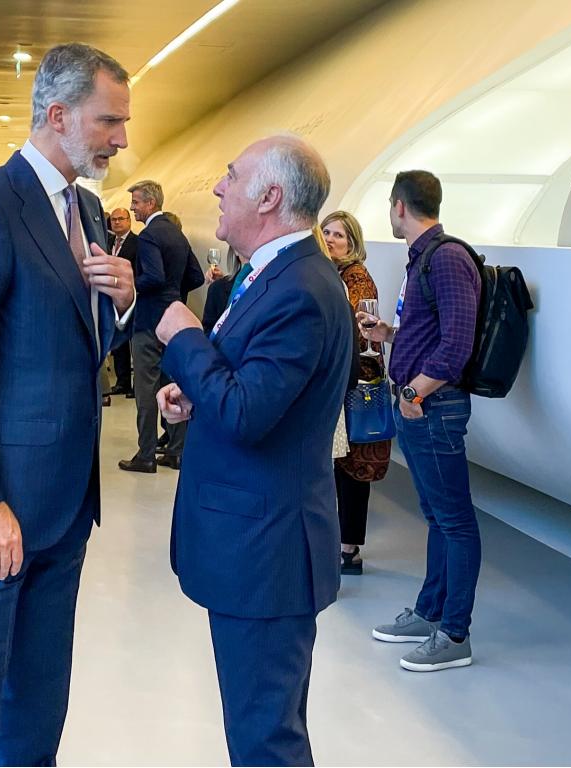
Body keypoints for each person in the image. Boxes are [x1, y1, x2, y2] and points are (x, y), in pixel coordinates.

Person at [0, 42, 134, 766]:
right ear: (58, 114)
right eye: (110, 121)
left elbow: (75, 346)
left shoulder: (90, 210)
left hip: (66, 502)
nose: (121, 138)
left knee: (42, 688)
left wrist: (123, 304)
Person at [154, 134, 352, 766]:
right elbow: (251, 392)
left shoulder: (297, 289)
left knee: (265, 737)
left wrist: (183, 338)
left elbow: (245, 414)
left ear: (269, 197)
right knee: (260, 725)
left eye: (230, 176)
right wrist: (195, 394)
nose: (217, 186)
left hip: (266, 554)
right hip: (255, 545)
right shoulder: (272, 276)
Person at [360, 170, 481, 672]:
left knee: (456, 522)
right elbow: (429, 331)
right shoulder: (424, 259)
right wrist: (389, 333)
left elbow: (457, 345)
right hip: (417, 407)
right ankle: (431, 611)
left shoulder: (447, 258)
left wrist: (413, 392)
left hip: (433, 408)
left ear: (399, 206)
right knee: (437, 518)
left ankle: (455, 634)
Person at [321, 210, 391, 575]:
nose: (332, 239)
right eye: (327, 232)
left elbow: (362, 333)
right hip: (339, 382)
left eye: (340, 235)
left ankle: (349, 548)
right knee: (338, 465)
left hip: (356, 385)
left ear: (353, 243)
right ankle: (340, 542)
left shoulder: (356, 277)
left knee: (352, 467)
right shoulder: (330, 274)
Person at [119, 180, 204, 473]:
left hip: (149, 322)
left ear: (151, 203)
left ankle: (145, 454)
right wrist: (174, 296)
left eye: (137, 202)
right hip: (175, 320)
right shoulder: (177, 235)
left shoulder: (149, 236)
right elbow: (196, 276)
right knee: (173, 384)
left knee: (145, 388)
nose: (133, 208)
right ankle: (176, 451)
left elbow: (152, 277)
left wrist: (129, 284)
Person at [106, 207, 137, 396]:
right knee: (117, 343)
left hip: (130, 298)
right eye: (114, 220)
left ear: (129, 221)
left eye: (121, 219)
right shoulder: (108, 241)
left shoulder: (137, 243)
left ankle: (135, 384)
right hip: (111, 298)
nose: (117, 222)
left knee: (133, 342)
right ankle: (122, 380)